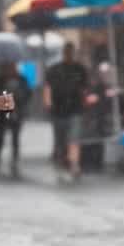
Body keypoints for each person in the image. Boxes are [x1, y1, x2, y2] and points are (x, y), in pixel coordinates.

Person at [44, 42, 89, 181]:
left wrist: (85, 101)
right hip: (58, 109)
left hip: (75, 109)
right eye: (67, 51)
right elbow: (48, 87)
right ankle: (62, 159)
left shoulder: (80, 69)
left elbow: (84, 89)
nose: (69, 54)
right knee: (61, 139)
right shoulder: (54, 70)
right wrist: (48, 102)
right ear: (64, 53)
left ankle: (74, 164)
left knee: (74, 138)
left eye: (71, 51)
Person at [0, 59, 31, 177]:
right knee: (0, 135)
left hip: (17, 112)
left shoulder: (21, 79)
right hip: (2, 113)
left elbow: (28, 93)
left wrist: (19, 99)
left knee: (15, 137)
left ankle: (14, 160)